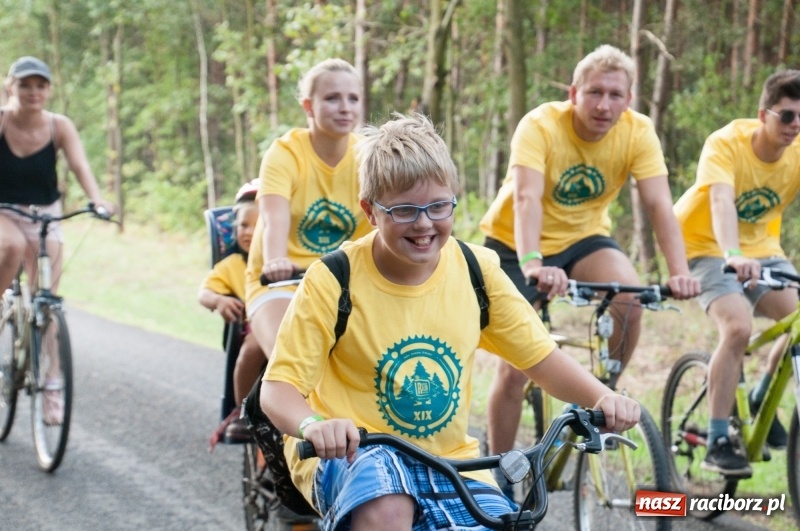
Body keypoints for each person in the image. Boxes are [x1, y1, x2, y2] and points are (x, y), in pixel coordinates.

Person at [260, 113, 641, 530]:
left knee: (506, 523)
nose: (424, 223)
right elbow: (278, 389)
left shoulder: (478, 269)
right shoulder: (335, 279)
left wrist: (601, 397)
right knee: (388, 508)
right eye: (404, 210)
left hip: (452, 461)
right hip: (352, 455)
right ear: (370, 211)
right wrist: (315, 425)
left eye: (438, 206)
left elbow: (541, 358)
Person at [478, 44, 700, 467]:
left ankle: (604, 397)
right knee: (515, 365)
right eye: (595, 92)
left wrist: (679, 272)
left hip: (584, 239)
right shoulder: (540, 125)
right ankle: (498, 472)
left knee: (630, 298)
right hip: (515, 245)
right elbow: (527, 198)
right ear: (573, 92)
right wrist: (532, 264)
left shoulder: (637, 131)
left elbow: (658, 204)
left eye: (615, 95)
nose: (604, 104)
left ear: (629, 100)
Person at [673, 70, 800, 477]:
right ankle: (717, 439)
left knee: (797, 320)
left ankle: (761, 397)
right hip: (706, 247)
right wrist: (732, 254)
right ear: (763, 114)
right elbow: (722, 203)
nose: (795, 125)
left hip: (764, 250)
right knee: (738, 328)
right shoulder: (725, 143)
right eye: (787, 116)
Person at [0, 56, 115, 425]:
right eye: (25, 85)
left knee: (47, 301)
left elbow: (80, 166)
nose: (33, 92)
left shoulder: (58, 126)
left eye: (40, 85)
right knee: (11, 246)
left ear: (48, 89)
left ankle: (51, 384)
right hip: (2, 210)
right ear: (10, 87)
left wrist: (97, 199)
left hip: (45, 211)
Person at [244, 58, 373, 376]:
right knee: (290, 360)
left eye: (353, 98)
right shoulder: (285, 153)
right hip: (282, 280)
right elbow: (274, 218)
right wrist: (275, 262)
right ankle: (254, 424)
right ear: (309, 106)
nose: (345, 107)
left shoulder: (368, 157)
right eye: (332, 98)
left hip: (343, 282)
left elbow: (380, 224)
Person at [200, 180, 262, 443]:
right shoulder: (232, 265)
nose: (248, 232)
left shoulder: (292, 260)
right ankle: (243, 412)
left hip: (295, 324)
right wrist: (219, 301)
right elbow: (204, 293)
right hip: (255, 327)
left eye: (258, 226)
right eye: (243, 226)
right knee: (255, 345)